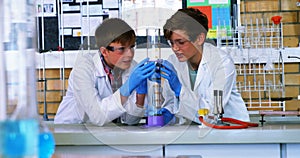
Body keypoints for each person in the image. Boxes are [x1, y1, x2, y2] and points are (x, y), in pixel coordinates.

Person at [54, 18, 155, 126]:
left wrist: (141, 96)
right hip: (71, 132)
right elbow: (98, 116)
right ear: (104, 51)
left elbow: (130, 121)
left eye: (132, 47)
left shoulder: (132, 68)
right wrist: (126, 89)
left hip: (106, 132)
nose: (130, 54)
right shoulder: (84, 69)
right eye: (121, 49)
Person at [158, 8, 250, 124]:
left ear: (200, 38)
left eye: (181, 42)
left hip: (228, 131)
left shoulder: (222, 63)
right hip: (190, 131)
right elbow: (172, 103)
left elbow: (212, 113)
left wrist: (180, 90)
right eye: (171, 43)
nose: (174, 48)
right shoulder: (173, 62)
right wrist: (166, 113)